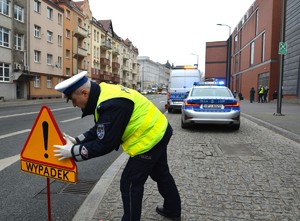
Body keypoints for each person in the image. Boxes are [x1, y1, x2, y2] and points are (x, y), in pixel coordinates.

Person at [53, 71, 181, 221]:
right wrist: (77, 141)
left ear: (84, 93)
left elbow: (105, 143)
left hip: (149, 138)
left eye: (73, 99)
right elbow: (101, 129)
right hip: (159, 129)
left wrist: (73, 152)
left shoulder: (112, 104)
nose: (74, 104)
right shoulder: (104, 93)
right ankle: (173, 210)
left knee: (130, 182)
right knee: (161, 173)